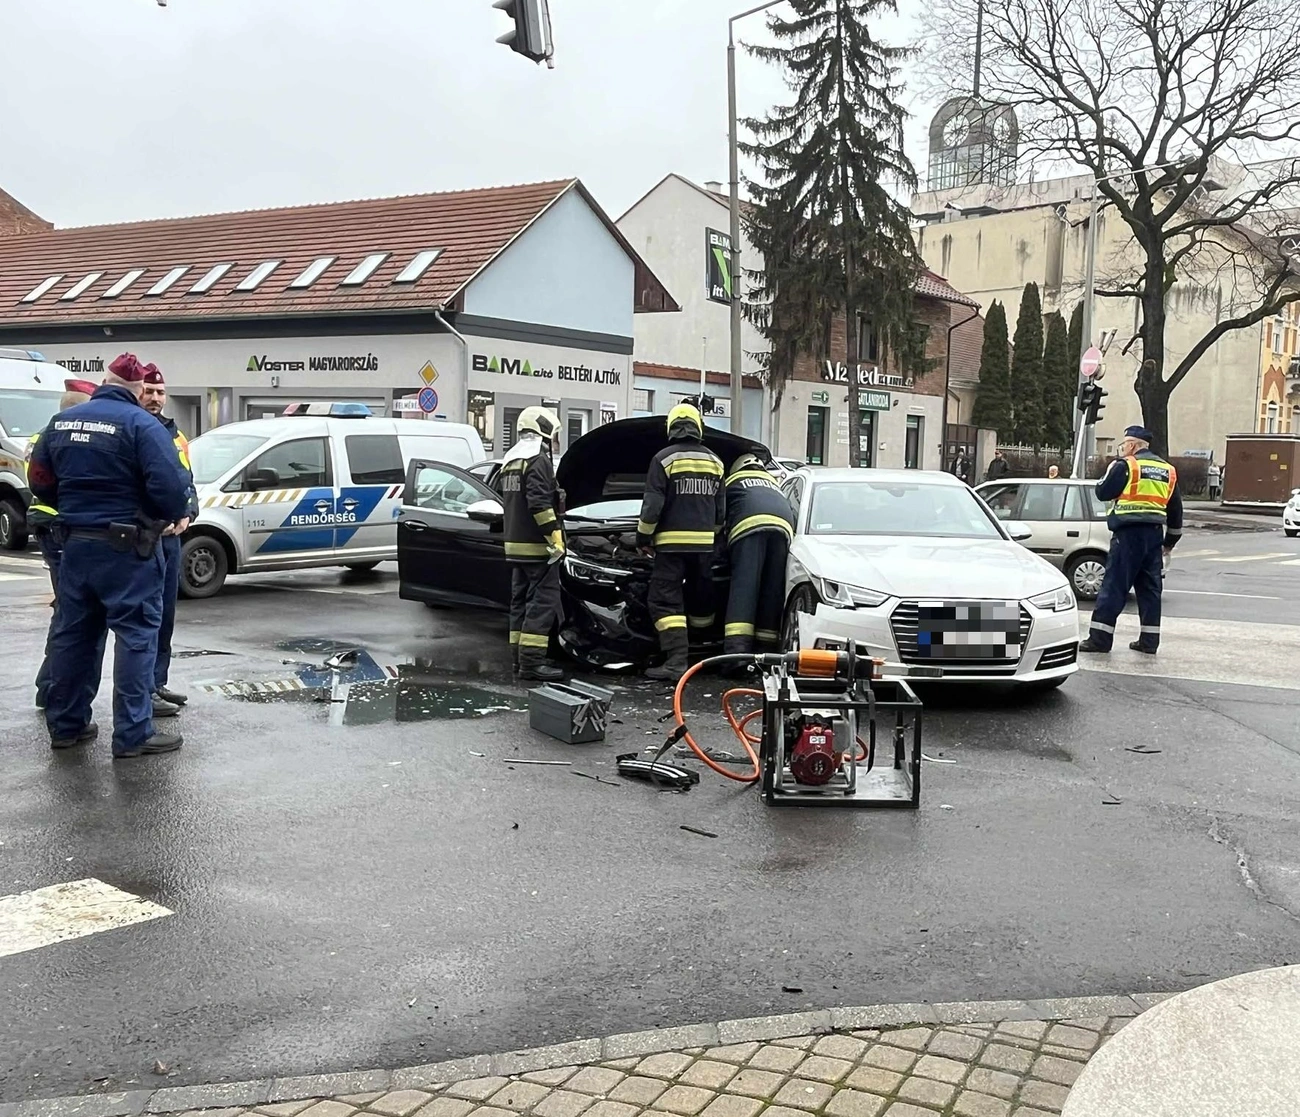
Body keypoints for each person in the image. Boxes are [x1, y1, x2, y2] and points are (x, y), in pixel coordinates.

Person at [27, 353, 193, 758]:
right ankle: (134, 734)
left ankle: (66, 726)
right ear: (137, 389)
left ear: (106, 381)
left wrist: (74, 506)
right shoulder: (141, 424)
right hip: (128, 549)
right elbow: (171, 488)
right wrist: (165, 514)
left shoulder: (62, 422)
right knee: (136, 636)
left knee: (74, 635)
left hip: (76, 544)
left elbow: (40, 480)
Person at [638, 403, 725, 681]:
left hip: (670, 547)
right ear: (699, 427)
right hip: (703, 547)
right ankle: (701, 653)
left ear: (671, 427)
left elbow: (652, 506)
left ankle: (676, 661)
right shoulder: (715, 461)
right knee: (701, 595)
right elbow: (721, 511)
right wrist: (709, 536)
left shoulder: (663, 459)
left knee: (665, 601)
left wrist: (643, 536)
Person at [27, 379, 100, 709]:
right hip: (62, 527)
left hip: (51, 525)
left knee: (66, 611)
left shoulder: (45, 434)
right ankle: (55, 691)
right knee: (72, 615)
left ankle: (50, 687)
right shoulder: (68, 437)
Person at [1079, 425, 1183, 656]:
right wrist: (1171, 540)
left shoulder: (1127, 465)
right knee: (1150, 590)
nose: (1123, 448)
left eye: (1125, 444)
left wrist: (1111, 470)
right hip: (1154, 535)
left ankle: (1100, 640)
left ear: (1134, 445)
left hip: (1128, 535)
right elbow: (1175, 508)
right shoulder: (1168, 470)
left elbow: (1102, 492)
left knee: (1114, 586)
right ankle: (1149, 642)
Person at [141, 363, 198, 709]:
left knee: (166, 615)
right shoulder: (133, 429)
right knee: (145, 616)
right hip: (146, 536)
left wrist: (189, 514)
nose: (155, 398)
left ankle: (158, 682)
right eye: (148, 391)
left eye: (160, 392)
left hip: (171, 538)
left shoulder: (177, 435)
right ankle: (143, 690)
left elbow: (188, 481)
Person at [498, 406, 566, 682]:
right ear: (544, 431)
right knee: (542, 603)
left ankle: (519, 659)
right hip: (538, 549)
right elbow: (539, 503)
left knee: (521, 604)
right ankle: (532, 664)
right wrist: (555, 535)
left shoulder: (511, 460)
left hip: (515, 547)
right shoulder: (537, 460)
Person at [722, 453, 795, 655]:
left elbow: (718, 515)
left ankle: (737, 654)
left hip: (750, 527)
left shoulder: (732, 481)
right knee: (772, 589)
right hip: (783, 530)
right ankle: (767, 651)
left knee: (745, 588)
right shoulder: (773, 483)